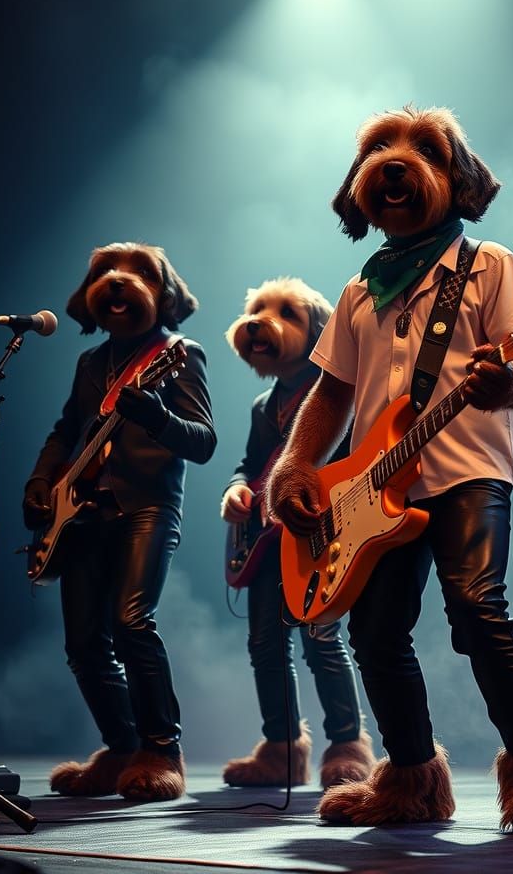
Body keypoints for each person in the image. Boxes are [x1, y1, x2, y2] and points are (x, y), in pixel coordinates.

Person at [266, 105, 513, 832]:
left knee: (476, 607)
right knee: (375, 636)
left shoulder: (490, 267)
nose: (396, 160)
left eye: (422, 152)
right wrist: (294, 468)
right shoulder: (357, 292)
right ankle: (410, 783)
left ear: (458, 181)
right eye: (378, 148)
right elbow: (333, 393)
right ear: (358, 189)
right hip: (376, 489)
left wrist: (509, 383)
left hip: (469, 470)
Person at [22, 241, 216, 802]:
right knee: (83, 644)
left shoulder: (180, 352)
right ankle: (122, 746)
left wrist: (157, 416)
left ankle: (161, 749)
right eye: (104, 272)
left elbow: (203, 443)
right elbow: (66, 431)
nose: (116, 280)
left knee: (131, 623)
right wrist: (40, 481)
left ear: (165, 295)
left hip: (147, 507)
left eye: (137, 274)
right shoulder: (89, 364)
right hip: (81, 515)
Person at [220, 276, 375, 788]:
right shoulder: (262, 408)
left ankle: (347, 744)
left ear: (319, 334)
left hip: (318, 531)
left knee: (321, 640)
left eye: (287, 313)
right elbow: (247, 465)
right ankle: (280, 748)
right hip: (265, 544)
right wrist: (238, 490)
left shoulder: (338, 393)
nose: (263, 321)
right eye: (259, 309)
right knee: (264, 645)